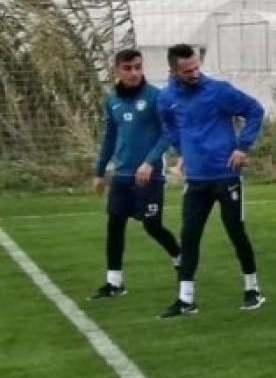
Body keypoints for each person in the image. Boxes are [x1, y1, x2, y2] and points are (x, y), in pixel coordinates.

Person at [156, 44, 266, 318]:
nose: (195, 73)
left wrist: (242, 146)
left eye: (196, 67)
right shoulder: (166, 97)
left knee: (235, 231)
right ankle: (185, 300)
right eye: (188, 70)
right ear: (173, 70)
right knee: (189, 236)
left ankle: (252, 289)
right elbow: (169, 126)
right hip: (196, 179)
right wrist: (182, 152)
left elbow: (254, 110)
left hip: (226, 174)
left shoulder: (219, 91)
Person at [89, 49, 182, 300]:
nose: (134, 73)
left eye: (138, 67)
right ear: (117, 70)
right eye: (128, 68)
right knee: (115, 225)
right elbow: (110, 137)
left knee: (152, 226)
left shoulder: (156, 97)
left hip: (150, 176)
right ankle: (114, 283)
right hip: (121, 175)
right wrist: (99, 172)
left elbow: (168, 133)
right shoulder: (112, 100)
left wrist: (150, 162)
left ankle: (180, 259)